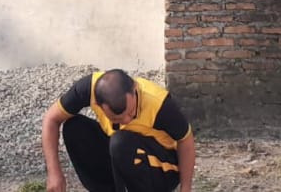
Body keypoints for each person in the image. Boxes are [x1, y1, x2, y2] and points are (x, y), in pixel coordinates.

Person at [40, 70, 195, 192]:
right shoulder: (87, 89)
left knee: (120, 142)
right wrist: (54, 173)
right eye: (117, 119)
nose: (127, 121)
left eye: (131, 112)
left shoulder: (159, 104)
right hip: (122, 154)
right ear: (98, 104)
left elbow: (186, 140)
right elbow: (51, 120)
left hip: (161, 168)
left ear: (134, 88)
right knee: (74, 128)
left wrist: (185, 189)